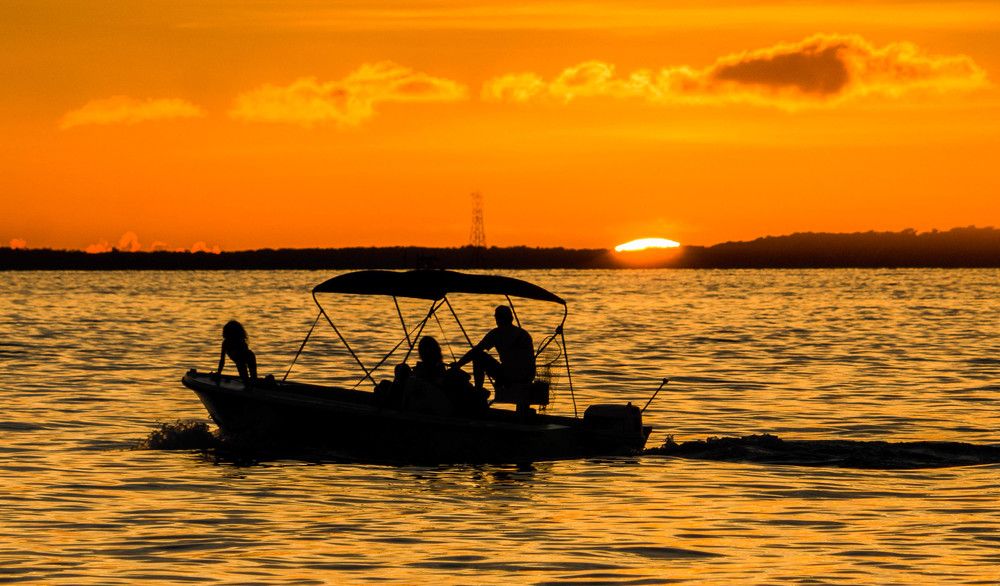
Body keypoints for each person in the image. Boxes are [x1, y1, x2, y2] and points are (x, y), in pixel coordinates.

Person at [451, 305, 535, 402]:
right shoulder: (523, 333)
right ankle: (478, 391)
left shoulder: (497, 334)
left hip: (510, 376)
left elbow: (476, 351)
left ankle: (478, 391)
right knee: (478, 355)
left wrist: (458, 365)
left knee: (478, 356)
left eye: (498, 318)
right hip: (527, 376)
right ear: (511, 318)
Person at [215, 320, 257, 389]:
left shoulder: (240, 342)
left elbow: (243, 358)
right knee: (246, 379)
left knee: (251, 379)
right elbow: (222, 360)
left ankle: (252, 387)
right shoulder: (225, 343)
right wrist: (219, 373)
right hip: (241, 360)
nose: (223, 333)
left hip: (247, 358)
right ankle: (250, 385)